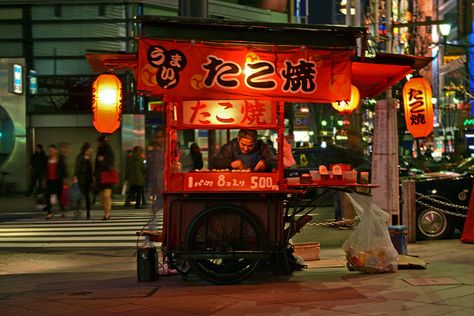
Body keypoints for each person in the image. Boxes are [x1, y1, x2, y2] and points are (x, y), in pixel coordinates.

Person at [211, 129, 277, 171]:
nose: (246, 149)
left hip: (257, 183)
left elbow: (275, 162)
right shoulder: (231, 146)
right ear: (238, 139)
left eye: (250, 146)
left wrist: (266, 164)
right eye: (243, 144)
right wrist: (230, 163)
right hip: (235, 183)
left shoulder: (262, 146)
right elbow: (215, 161)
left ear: (255, 142)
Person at [43, 144, 68, 219]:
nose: (50, 152)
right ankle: (49, 212)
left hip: (58, 180)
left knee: (60, 196)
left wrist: (65, 181)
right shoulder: (47, 159)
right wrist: (44, 180)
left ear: (55, 150)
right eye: (49, 150)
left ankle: (62, 211)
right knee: (48, 196)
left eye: (52, 150)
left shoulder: (60, 159)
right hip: (49, 180)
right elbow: (45, 170)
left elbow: (64, 170)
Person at [94, 135, 115, 221]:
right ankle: (106, 212)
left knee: (106, 196)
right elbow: (96, 164)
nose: (97, 143)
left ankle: (107, 214)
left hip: (107, 176)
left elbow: (111, 164)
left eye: (98, 142)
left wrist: (102, 160)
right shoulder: (99, 152)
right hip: (100, 176)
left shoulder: (109, 152)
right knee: (103, 197)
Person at [73, 142, 94, 219]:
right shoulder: (80, 156)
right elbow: (77, 167)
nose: (91, 150)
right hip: (81, 178)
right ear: (86, 149)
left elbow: (91, 168)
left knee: (87, 196)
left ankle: (88, 212)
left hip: (88, 179)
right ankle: (78, 210)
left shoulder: (90, 157)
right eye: (90, 148)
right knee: (79, 195)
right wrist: (75, 177)